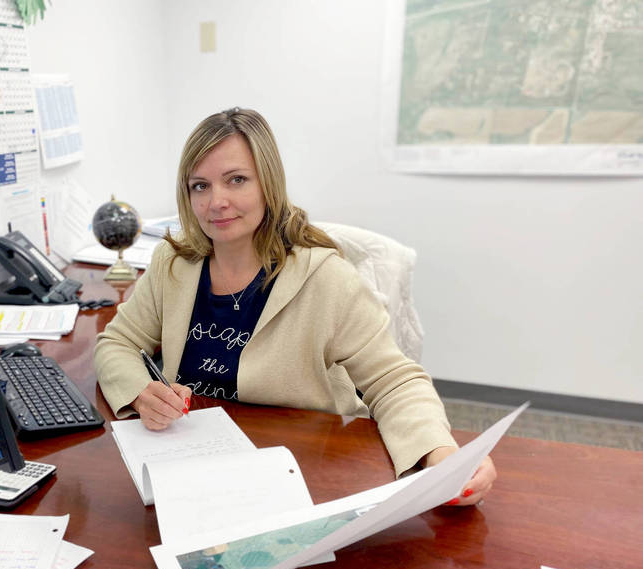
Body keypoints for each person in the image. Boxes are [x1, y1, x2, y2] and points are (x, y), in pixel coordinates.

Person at [94, 107, 495, 506]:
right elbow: (117, 343)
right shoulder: (173, 263)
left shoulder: (325, 277)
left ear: (268, 183)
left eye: (236, 180)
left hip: (297, 473)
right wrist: (139, 392)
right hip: (189, 469)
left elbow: (394, 381)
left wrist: (440, 455)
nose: (217, 201)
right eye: (200, 186)